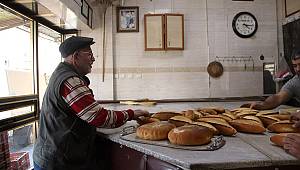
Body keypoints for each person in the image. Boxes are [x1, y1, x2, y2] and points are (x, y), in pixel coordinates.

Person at [33, 36, 149, 170]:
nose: (93, 59)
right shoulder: (70, 80)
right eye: (89, 54)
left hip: (54, 156)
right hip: (56, 161)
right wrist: (131, 114)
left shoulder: (63, 74)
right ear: (76, 56)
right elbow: (99, 117)